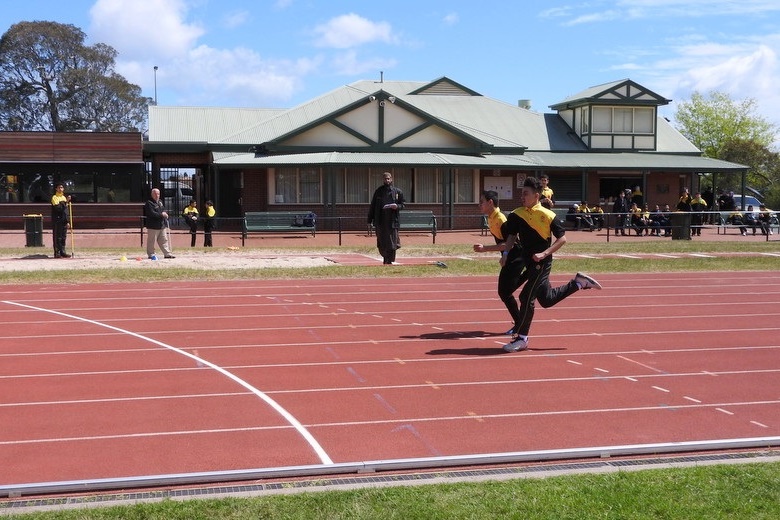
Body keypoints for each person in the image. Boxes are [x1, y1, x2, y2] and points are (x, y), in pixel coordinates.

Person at [499, 176, 602, 352]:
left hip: (542, 263)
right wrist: (506, 253)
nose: (522, 196)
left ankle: (521, 338)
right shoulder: (517, 214)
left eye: (525, 194)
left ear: (536, 196)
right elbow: (511, 236)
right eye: (521, 193)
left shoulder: (548, 215)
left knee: (526, 297)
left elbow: (562, 239)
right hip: (529, 264)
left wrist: (545, 253)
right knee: (546, 300)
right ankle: (578, 283)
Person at [473, 190, 526, 334]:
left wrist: (486, 249)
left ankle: (520, 323)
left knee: (504, 292)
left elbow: (511, 242)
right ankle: (520, 321)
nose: (479, 205)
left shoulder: (500, 219)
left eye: (482, 201)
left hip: (516, 255)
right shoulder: (491, 217)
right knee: (505, 291)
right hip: (509, 256)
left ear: (490, 202)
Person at [368, 172, 405, 264]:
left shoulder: (397, 192)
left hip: (392, 221)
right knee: (382, 241)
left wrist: (396, 206)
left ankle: (389, 260)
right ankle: (385, 258)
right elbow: (372, 206)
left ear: (391, 179)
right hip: (380, 221)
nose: (387, 180)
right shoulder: (378, 191)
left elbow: (403, 204)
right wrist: (369, 220)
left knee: (392, 241)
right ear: (383, 180)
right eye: (385, 179)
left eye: (388, 179)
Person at [143, 188, 175, 259]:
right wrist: (161, 215)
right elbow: (151, 213)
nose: (157, 195)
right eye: (155, 194)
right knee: (152, 241)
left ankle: (167, 253)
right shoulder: (149, 203)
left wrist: (165, 213)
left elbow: (163, 210)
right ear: (152, 194)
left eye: (158, 194)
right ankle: (151, 254)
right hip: (153, 226)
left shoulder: (160, 202)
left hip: (162, 225)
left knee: (164, 240)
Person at [50, 183, 71, 258]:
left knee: (63, 237)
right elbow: (58, 208)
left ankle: (63, 251)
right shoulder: (54, 197)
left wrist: (67, 221)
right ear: (56, 189)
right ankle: (57, 252)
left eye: (62, 187)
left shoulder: (64, 197)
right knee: (57, 237)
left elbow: (66, 211)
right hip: (57, 220)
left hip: (63, 220)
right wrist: (65, 203)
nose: (60, 189)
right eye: (59, 187)